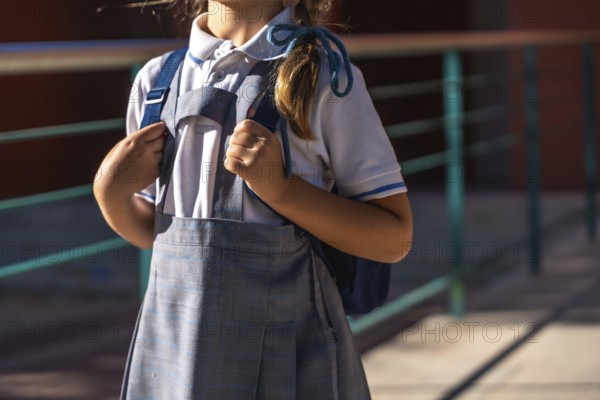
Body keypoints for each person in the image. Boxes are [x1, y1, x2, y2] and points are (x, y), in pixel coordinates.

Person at [93, 0, 413, 398]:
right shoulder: (156, 80)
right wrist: (109, 191)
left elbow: (394, 237)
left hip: (288, 347)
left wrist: (282, 190)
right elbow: (152, 233)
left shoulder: (322, 77)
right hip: (173, 349)